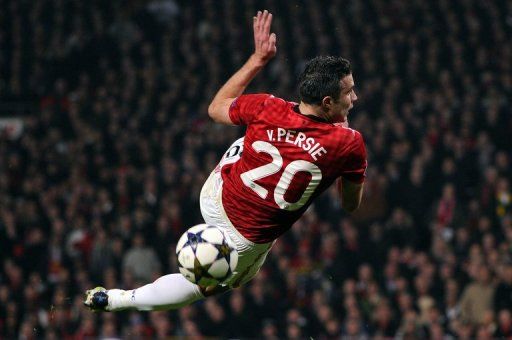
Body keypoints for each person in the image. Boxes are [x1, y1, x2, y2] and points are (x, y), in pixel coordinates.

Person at [84, 10, 366, 312]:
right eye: (349, 92)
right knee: (204, 285)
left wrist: (257, 60)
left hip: (214, 194)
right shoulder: (349, 143)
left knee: (254, 137)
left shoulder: (267, 105)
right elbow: (350, 205)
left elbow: (215, 108)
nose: (355, 98)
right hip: (243, 240)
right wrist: (337, 161)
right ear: (328, 102)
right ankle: (115, 300)